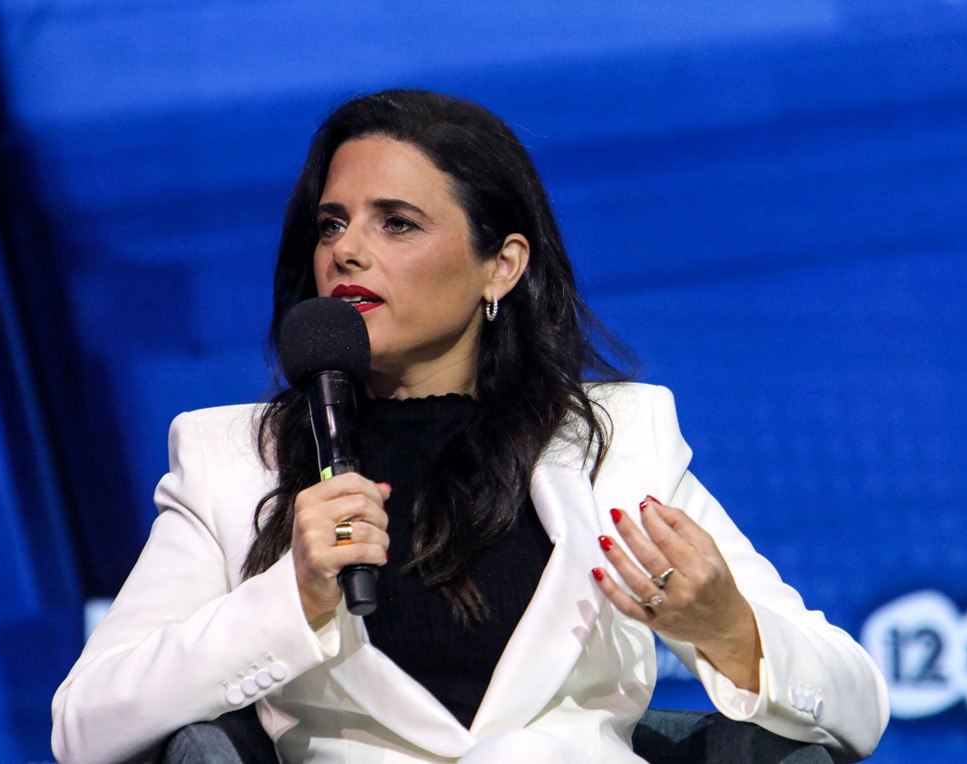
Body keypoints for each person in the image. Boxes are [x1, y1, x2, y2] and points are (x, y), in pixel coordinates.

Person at [50, 89, 889, 763]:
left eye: (397, 223)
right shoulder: (239, 462)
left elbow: (857, 705)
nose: (347, 251)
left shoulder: (615, 444)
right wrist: (292, 599)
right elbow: (85, 727)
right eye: (332, 224)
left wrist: (730, 631)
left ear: (502, 265)